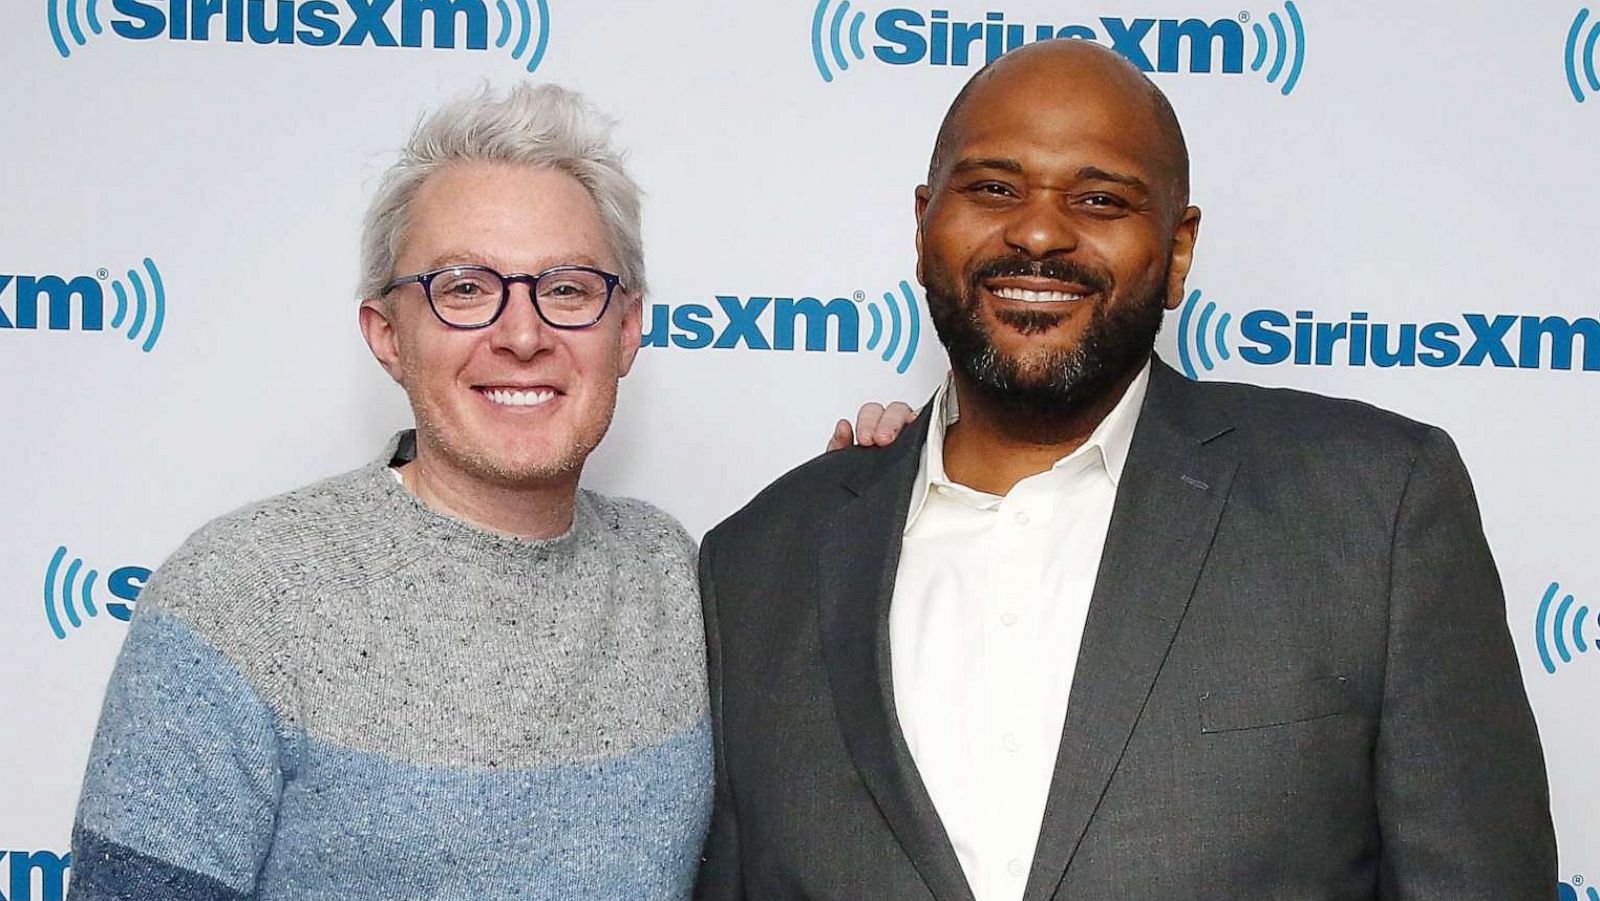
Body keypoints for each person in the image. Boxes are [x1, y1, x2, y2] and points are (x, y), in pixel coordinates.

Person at [695, 40, 1556, 901]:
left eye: (1100, 198)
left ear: (1177, 252)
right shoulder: (758, 565)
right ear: (923, 227)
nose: (1037, 231)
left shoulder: (1374, 511)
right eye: (994, 188)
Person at [65, 83, 908, 901]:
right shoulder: (240, 596)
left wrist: (872, 509)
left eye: (568, 288)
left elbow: (819, 788)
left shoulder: (673, 575)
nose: (522, 334)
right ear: (388, 335)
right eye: (464, 288)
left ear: (628, 330)